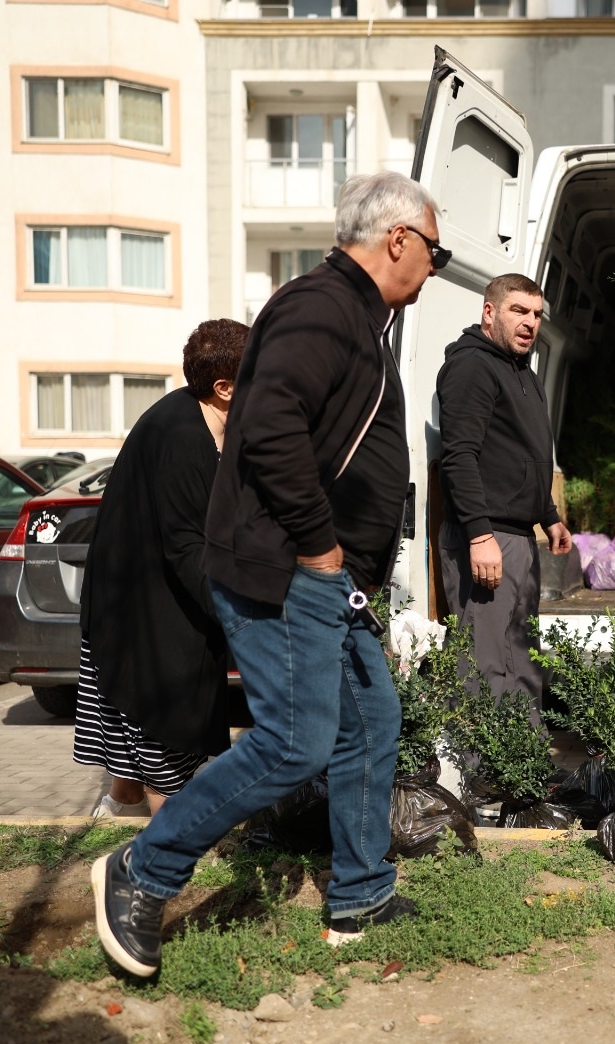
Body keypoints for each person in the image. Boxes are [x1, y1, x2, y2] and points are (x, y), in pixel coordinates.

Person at [91, 170, 446, 978]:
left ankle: (361, 890)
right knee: (294, 742)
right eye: (435, 247)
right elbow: (270, 426)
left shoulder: (357, 316)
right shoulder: (322, 306)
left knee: (370, 722)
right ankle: (141, 872)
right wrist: (321, 548)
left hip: (330, 576)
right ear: (398, 239)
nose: (434, 264)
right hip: (289, 570)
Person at [74, 319, 248, 818]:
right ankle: (162, 863)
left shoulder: (195, 417)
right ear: (224, 388)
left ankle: (120, 808)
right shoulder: (181, 439)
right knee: (163, 752)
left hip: (137, 605)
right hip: (144, 618)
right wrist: (241, 618)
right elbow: (189, 547)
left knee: (134, 744)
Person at [435, 274, 573, 715]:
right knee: (484, 667)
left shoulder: (524, 374)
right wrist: (478, 535)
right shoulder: (472, 366)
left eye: (536, 314)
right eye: (519, 310)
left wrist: (549, 514)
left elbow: (525, 454)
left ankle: (523, 772)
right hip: (486, 537)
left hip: (517, 537)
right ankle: (476, 777)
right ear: (489, 312)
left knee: (523, 666)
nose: (530, 322)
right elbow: (459, 456)